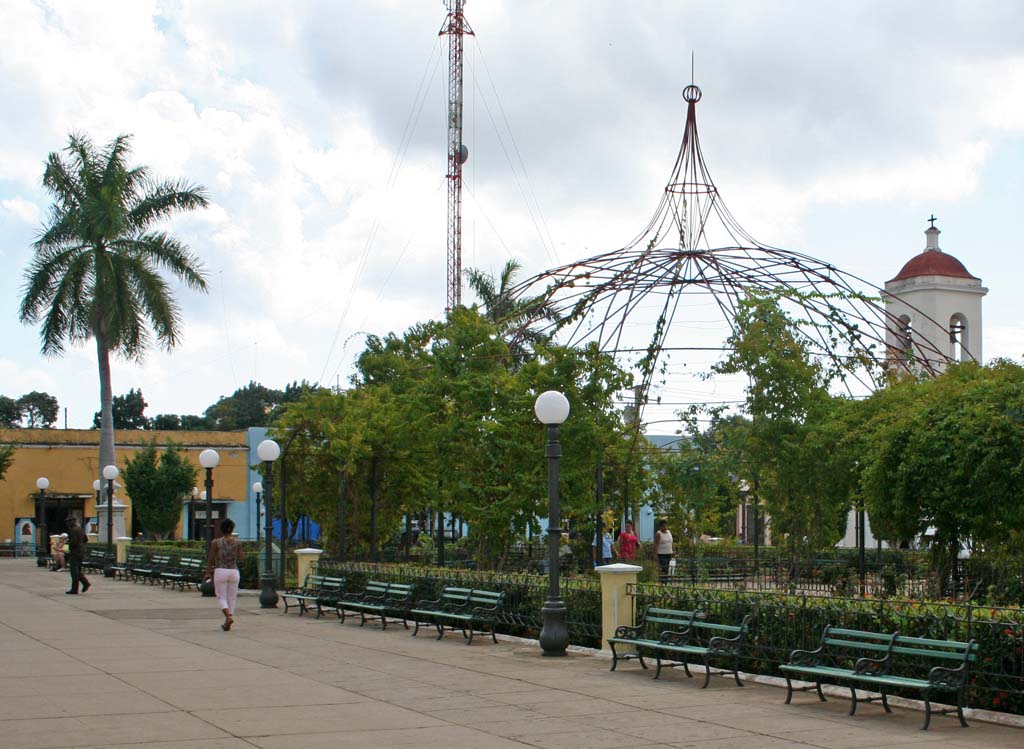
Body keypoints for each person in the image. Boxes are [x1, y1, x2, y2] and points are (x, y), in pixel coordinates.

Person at [206, 518, 243, 631]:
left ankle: (228, 616)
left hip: (221, 570)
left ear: (221, 529)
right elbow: (241, 558)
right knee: (232, 597)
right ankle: (228, 621)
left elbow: (211, 558)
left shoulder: (216, 542)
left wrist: (208, 571)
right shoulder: (238, 542)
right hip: (234, 571)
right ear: (232, 529)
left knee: (221, 596)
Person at [65, 517, 90, 594]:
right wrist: (82, 545)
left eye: (68, 522)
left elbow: (73, 543)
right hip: (81, 552)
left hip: (75, 553)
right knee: (77, 570)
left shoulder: (73, 530)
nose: (67, 524)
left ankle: (75, 589)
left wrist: (68, 543)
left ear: (72, 522)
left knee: (74, 571)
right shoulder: (80, 529)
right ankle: (85, 583)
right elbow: (86, 539)